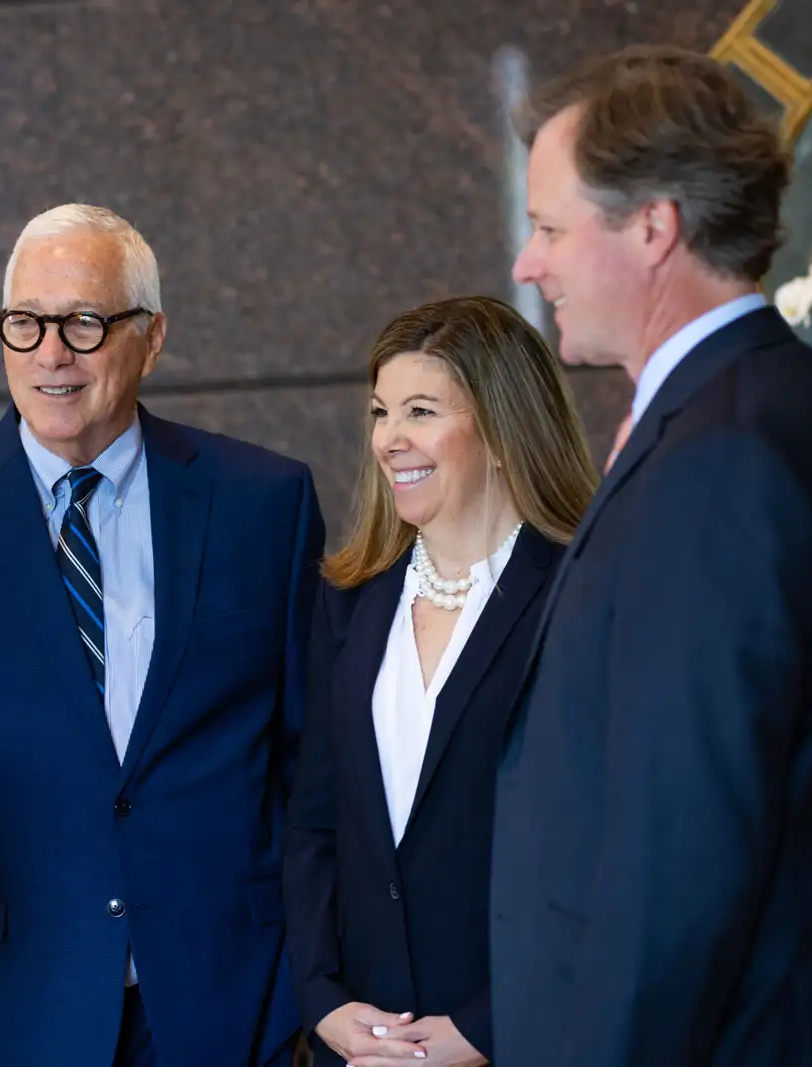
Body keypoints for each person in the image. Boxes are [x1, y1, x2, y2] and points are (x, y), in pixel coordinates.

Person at [494, 44, 812, 1067]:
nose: (530, 263)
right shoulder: (753, 409)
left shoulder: (727, 457)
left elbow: (680, 853)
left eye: (547, 228)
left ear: (653, 226)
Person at [0, 203, 324, 1067]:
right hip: (8, 1005)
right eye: (26, 324)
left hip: (229, 997)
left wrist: (318, 978)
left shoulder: (264, 504)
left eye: (85, 323)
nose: (51, 353)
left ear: (152, 336)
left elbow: (311, 758)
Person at [283, 297, 597, 1067]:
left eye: (420, 410)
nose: (390, 438)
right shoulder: (349, 600)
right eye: (381, 411)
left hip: (530, 1036)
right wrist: (324, 1001)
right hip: (364, 1044)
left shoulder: (582, 595)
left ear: (499, 428)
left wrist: (488, 1027)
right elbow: (314, 820)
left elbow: (606, 845)